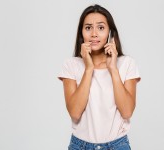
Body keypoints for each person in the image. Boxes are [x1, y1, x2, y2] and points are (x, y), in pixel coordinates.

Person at [57, 4, 141, 150]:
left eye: (101, 28)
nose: (94, 34)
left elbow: (127, 111)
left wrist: (113, 69)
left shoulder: (126, 63)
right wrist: (89, 68)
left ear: (110, 33)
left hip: (117, 145)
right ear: (81, 32)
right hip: (80, 146)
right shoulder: (71, 65)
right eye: (88, 28)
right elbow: (75, 113)